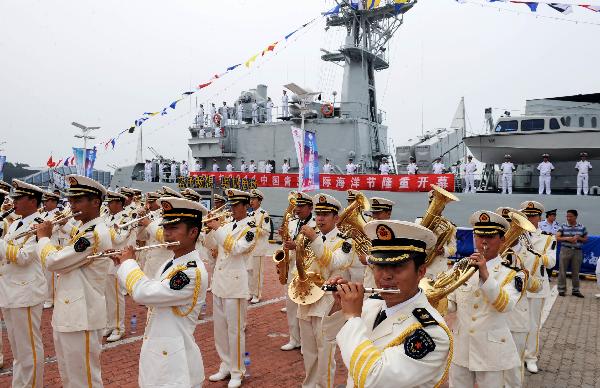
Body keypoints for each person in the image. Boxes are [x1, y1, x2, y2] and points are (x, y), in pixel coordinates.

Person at [322, 220, 451, 388]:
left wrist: (353, 317)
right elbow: (329, 334)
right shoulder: (373, 303)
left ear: (420, 272)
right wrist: (341, 306)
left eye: (397, 266)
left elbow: (372, 379)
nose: (385, 276)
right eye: (379, 265)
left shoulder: (431, 332)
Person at [115, 197, 209, 388]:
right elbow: (152, 292)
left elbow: (143, 293)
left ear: (193, 232)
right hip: (162, 354)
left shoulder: (191, 271)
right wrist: (121, 264)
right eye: (166, 228)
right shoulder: (173, 262)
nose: (167, 234)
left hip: (175, 363)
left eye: (174, 228)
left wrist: (128, 263)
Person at [36, 175, 111, 388]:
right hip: (73, 313)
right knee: (70, 377)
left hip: (83, 315)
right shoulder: (83, 229)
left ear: (95, 202)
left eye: (78, 201)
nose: (72, 205)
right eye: (71, 200)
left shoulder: (94, 234)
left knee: (84, 380)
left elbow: (52, 262)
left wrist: (43, 238)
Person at [447, 210, 523, 387]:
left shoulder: (512, 273)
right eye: (479, 235)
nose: (483, 241)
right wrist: (436, 300)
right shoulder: (461, 267)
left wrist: (485, 276)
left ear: (502, 239)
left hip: (492, 350)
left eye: (490, 236)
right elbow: (452, 303)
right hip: (462, 346)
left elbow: (505, 305)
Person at [296, 193, 354, 388]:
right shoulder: (313, 237)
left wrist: (314, 240)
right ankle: (309, 385)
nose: (319, 218)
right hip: (306, 298)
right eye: (318, 214)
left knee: (325, 352)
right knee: (309, 351)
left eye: (325, 214)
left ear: (336, 218)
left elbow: (335, 262)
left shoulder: (345, 241)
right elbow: (303, 265)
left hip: (328, 302)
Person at [205, 189, 257, 388]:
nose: (232, 209)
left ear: (246, 206)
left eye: (236, 205)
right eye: (231, 205)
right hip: (219, 282)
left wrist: (218, 229)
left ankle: (238, 371)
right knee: (220, 329)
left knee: (235, 331)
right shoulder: (226, 225)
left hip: (235, 285)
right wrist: (210, 229)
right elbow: (210, 246)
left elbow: (236, 248)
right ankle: (225, 365)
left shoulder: (251, 228)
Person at [0, 180, 47, 387]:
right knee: (18, 348)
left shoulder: (39, 225)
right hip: (10, 291)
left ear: (32, 200)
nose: (14, 202)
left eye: (19, 198)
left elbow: (23, 257)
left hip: (25, 292)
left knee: (28, 348)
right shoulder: (17, 223)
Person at [519, 200, 557, 374]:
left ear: (539, 218)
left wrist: (536, 255)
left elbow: (551, 262)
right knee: (517, 322)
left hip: (537, 285)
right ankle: (517, 355)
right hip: (517, 285)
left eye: (533, 215)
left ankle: (530, 357)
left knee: (533, 324)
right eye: (527, 215)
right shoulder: (516, 236)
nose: (530, 218)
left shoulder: (548, 238)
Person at [278, 192, 315, 351]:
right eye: (296, 206)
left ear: (310, 208)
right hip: (292, 268)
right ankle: (294, 339)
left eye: (301, 206)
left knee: (305, 309)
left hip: (308, 271)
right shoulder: (292, 222)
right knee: (291, 306)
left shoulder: (316, 225)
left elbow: (319, 249)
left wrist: (297, 246)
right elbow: (288, 243)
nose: (297, 209)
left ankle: (306, 342)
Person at [103, 190, 136, 342]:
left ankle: (118, 327)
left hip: (117, 260)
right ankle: (110, 324)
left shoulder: (126, 218)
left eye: (110, 202)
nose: (108, 205)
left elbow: (118, 238)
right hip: (105, 261)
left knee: (116, 296)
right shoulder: (107, 217)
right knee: (107, 296)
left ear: (118, 203)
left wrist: (106, 229)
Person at [362, 197, 395, 289]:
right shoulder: (372, 231)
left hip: (384, 284)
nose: (374, 216)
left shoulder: (394, 232)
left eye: (378, 213)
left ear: (389, 213)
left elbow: (390, 257)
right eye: (373, 213)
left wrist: (368, 259)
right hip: (369, 282)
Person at [556, 209, 588, 298]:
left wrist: (579, 238)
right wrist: (568, 239)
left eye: (570, 216)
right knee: (562, 270)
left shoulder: (582, 227)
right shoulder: (563, 226)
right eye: (567, 216)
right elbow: (557, 237)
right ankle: (561, 290)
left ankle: (576, 290)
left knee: (576, 272)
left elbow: (586, 240)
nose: (568, 218)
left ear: (575, 217)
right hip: (565, 250)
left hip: (577, 251)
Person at [247, 189, 270, 304]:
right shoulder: (249, 214)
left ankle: (257, 294)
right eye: (250, 199)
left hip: (259, 248)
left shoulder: (263, 214)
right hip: (249, 248)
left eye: (254, 199)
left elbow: (266, 231)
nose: (251, 201)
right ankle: (250, 292)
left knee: (257, 273)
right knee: (249, 271)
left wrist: (254, 228)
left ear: (259, 201)